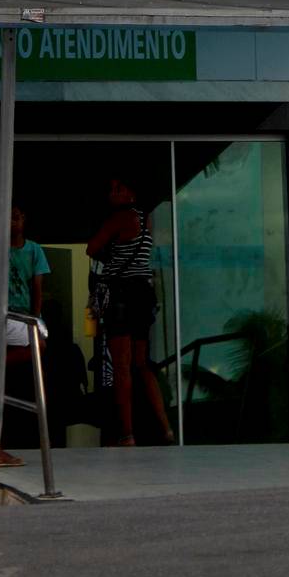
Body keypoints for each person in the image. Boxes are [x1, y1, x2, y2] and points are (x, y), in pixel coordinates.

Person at [86, 176, 174, 447]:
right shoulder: (145, 219)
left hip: (121, 294)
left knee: (121, 367)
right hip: (142, 293)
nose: (112, 193)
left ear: (131, 194)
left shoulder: (119, 219)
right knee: (142, 363)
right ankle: (166, 428)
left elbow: (91, 247)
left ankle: (127, 433)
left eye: (118, 189)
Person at [0, 200, 50, 466]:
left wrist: (35, 316)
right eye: (9, 218)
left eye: (17, 217)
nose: (13, 222)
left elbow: (37, 287)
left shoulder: (33, 250)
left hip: (21, 315)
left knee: (36, 346)